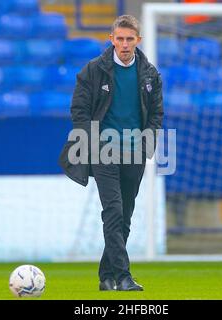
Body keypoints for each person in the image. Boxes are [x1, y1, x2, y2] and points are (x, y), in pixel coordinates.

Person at [58, 15, 163, 291]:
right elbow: (79, 110)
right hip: (104, 152)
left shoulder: (150, 74)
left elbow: (156, 114)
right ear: (111, 39)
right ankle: (123, 276)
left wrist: (147, 145)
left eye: (130, 39)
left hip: (134, 153)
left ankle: (106, 276)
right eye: (120, 39)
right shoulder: (93, 71)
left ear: (138, 40)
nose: (125, 44)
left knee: (124, 216)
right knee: (113, 211)